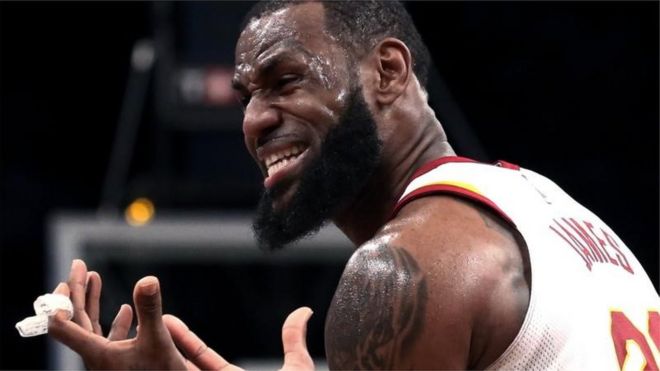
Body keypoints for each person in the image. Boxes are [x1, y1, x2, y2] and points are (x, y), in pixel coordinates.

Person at [47, 1, 659, 369]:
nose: (254, 120)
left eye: (285, 81)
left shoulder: (401, 270)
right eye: (247, 95)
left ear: (388, 71)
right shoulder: (549, 208)